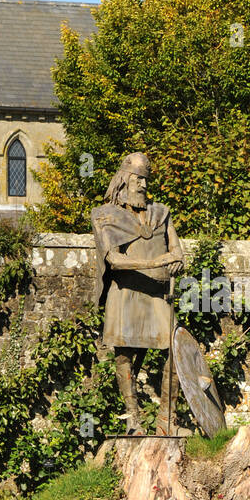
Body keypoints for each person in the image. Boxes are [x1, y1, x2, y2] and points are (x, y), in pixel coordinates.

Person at [91, 152, 184, 435]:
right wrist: (157, 262)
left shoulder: (161, 213)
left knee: (175, 350)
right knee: (124, 357)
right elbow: (115, 261)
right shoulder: (105, 215)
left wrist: (177, 259)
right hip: (125, 292)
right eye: (137, 179)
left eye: (145, 179)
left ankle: (167, 420)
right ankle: (133, 420)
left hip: (156, 294)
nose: (143, 185)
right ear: (123, 179)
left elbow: (177, 249)